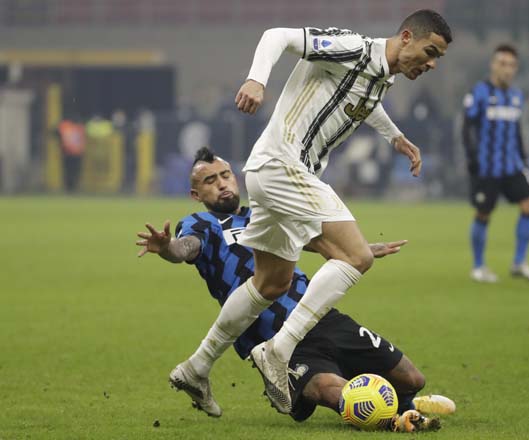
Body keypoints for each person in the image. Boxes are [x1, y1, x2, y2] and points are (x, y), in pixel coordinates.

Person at [175, 10, 452, 414]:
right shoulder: (353, 48)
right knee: (356, 257)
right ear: (406, 37)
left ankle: (195, 368)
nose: (430, 64)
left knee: (270, 282)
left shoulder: (381, 76)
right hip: (282, 164)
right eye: (429, 52)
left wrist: (395, 137)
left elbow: (364, 103)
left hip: (269, 174)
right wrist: (257, 79)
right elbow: (278, 36)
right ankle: (280, 349)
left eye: (437, 59)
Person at [136, 147, 455, 432]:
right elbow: (185, 249)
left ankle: (408, 402)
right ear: (196, 193)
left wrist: (361, 248)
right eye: (210, 181)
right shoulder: (201, 224)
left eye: (225, 175)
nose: (222, 183)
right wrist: (167, 248)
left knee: (412, 378)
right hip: (274, 339)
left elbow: (310, 239)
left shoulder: (261, 214)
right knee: (334, 391)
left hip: (319, 316)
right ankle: (398, 418)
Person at [462, 44, 529, 283]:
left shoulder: (516, 95)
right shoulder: (479, 92)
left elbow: (516, 131)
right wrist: (472, 160)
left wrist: (524, 159)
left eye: (512, 65)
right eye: (503, 64)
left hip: (512, 165)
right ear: (493, 65)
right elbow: (467, 129)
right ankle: (478, 267)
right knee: (484, 213)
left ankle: (519, 263)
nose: (507, 69)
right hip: (487, 167)